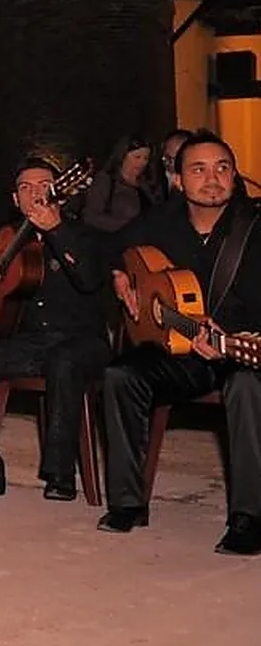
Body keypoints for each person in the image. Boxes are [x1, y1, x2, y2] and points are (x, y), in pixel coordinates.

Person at [99, 130, 261, 555]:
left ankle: (249, 517)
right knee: (121, 375)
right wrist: (120, 276)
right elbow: (108, 250)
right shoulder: (160, 221)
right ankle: (128, 502)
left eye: (222, 168)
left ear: (234, 175)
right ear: (177, 179)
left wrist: (246, 338)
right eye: (199, 169)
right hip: (180, 350)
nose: (212, 179)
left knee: (246, 386)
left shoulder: (255, 227)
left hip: (242, 350)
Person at [0, 159, 110, 501]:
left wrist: (56, 232)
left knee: (64, 361)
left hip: (82, 340)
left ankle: (61, 474)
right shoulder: (6, 237)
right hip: (29, 342)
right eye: (25, 188)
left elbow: (90, 279)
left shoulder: (87, 235)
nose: (34, 193)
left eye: (43, 185)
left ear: (59, 193)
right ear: (15, 199)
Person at [81, 135, 158, 233]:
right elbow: (90, 216)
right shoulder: (106, 181)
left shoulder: (148, 184)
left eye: (146, 158)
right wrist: (128, 225)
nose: (142, 163)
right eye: (137, 157)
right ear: (123, 156)